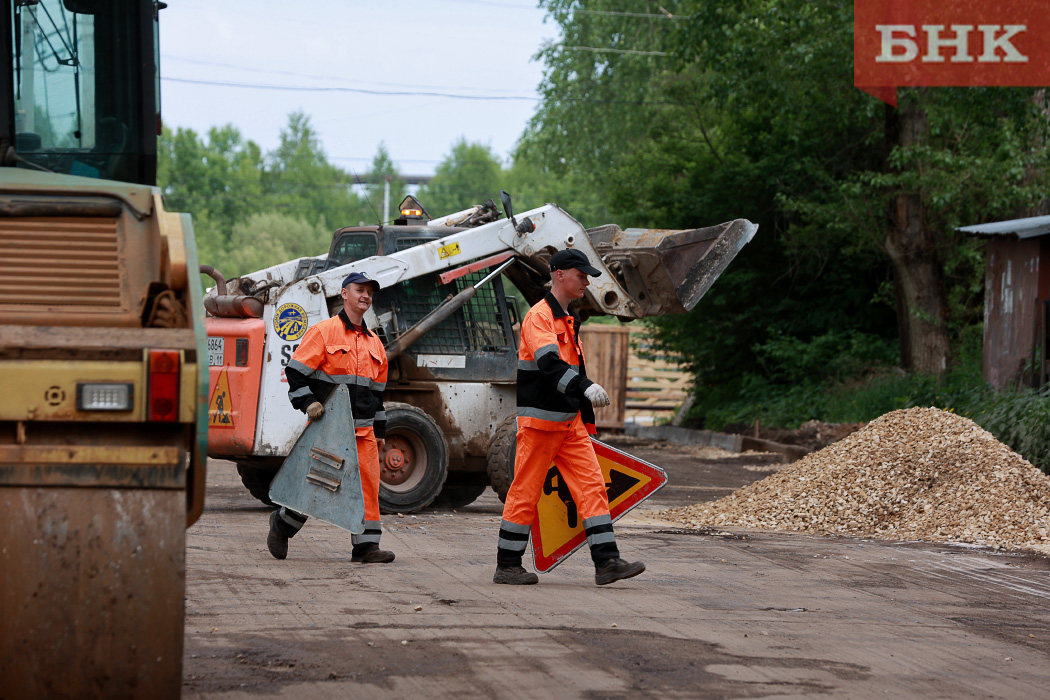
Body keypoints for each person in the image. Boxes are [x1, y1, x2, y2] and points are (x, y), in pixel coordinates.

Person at [494, 249, 646, 586]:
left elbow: (565, 369)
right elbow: (550, 367)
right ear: (559, 274)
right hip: (540, 425)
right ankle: (507, 564)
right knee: (525, 491)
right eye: (581, 275)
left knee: (593, 486)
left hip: (568, 424)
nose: (586, 282)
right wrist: (586, 386)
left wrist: (585, 415)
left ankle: (607, 563)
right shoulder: (540, 318)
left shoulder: (567, 319)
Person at [266, 272, 394, 564]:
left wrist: (380, 428)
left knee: (368, 487)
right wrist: (309, 402)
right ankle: (282, 525)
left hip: (363, 434)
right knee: (318, 483)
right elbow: (296, 372)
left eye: (369, 293)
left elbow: (378, 394)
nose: (365, 296)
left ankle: (366, 547)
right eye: (359, 290)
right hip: (330, 430)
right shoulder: (324, 332)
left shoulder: (376, 344)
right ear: (344, 294)